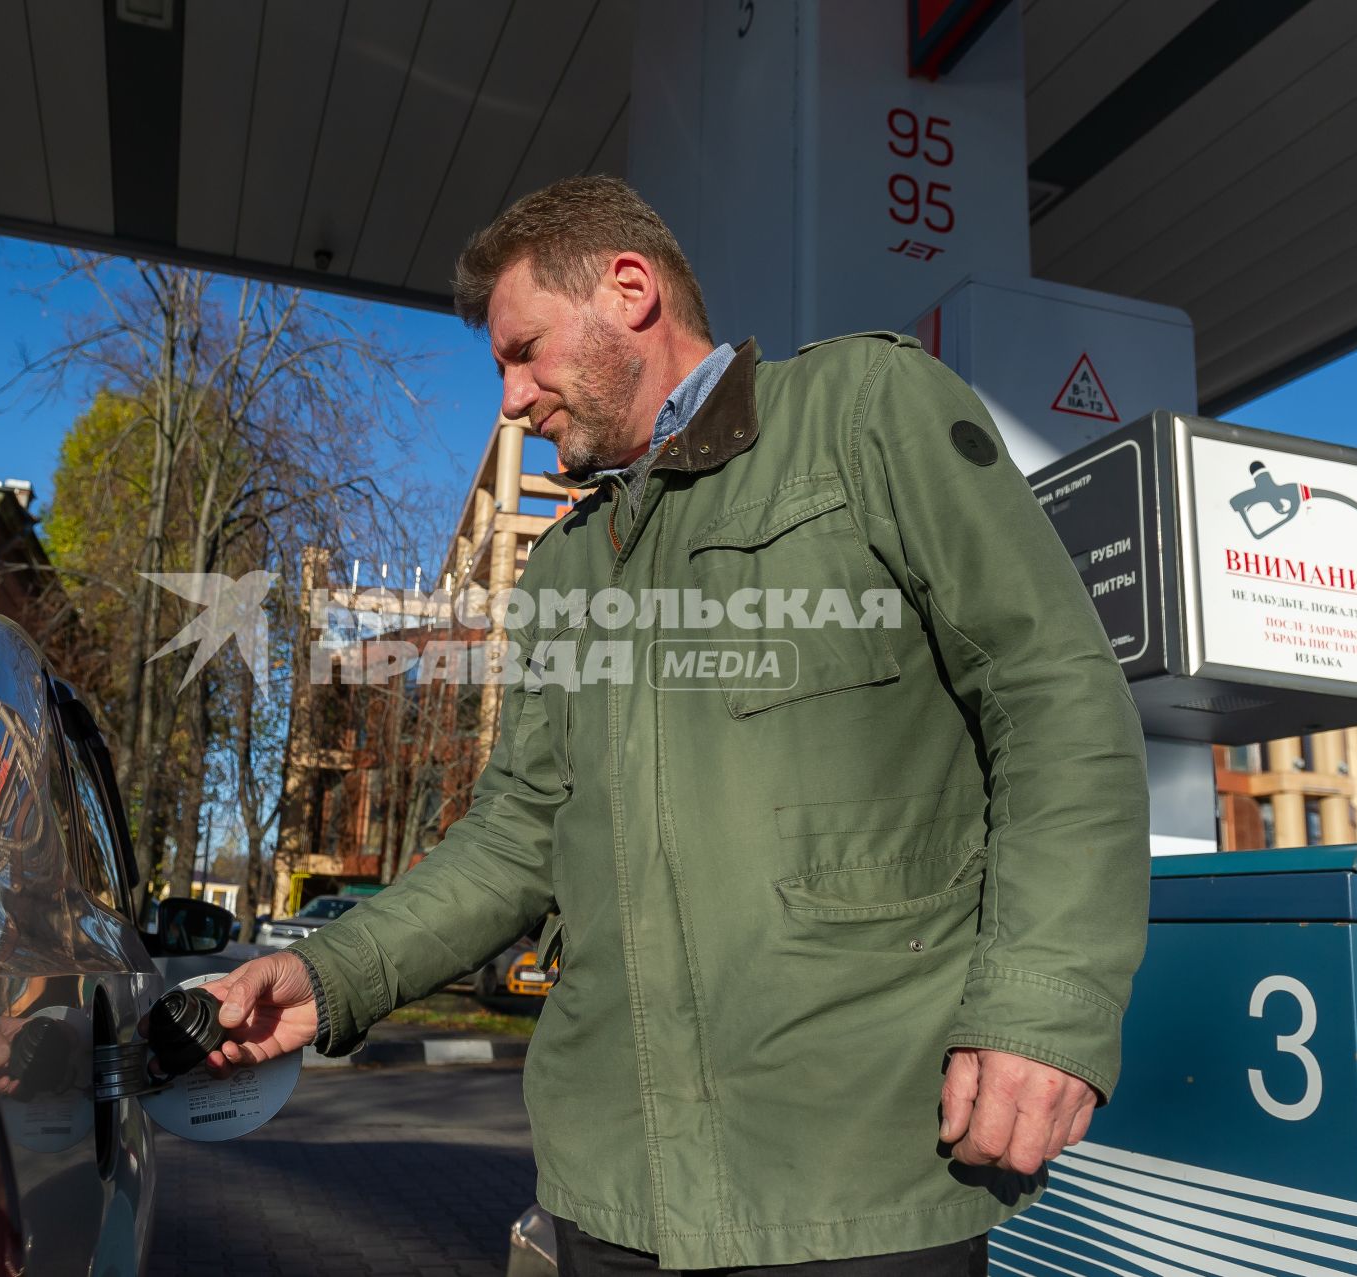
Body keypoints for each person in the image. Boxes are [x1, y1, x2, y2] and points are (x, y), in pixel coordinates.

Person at [197, 176, 1150, 1274]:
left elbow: (1052, 692)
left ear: (631, 291)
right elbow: (514, 836)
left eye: (523, 350)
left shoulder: (864, 413)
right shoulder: (561, 571)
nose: (510, 398)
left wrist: (1041, 1001)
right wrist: (328, 977)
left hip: (856, 1179)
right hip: (610, 1199)